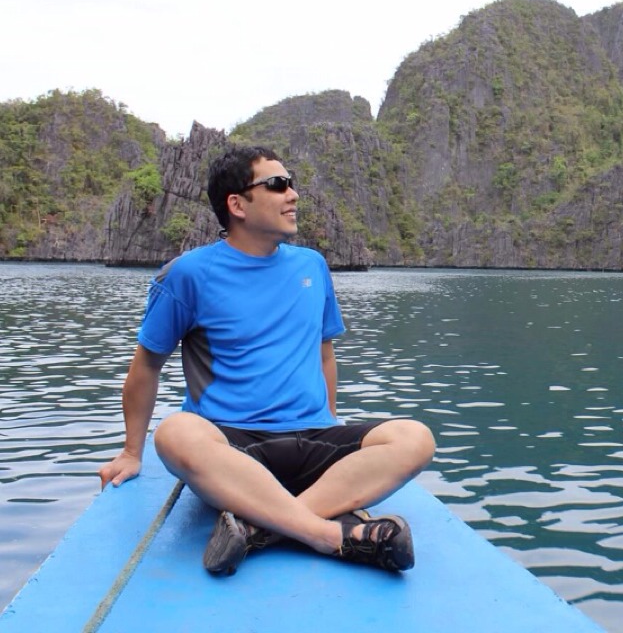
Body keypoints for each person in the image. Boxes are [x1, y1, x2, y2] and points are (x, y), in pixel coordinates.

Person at [98, 145, 435, 576]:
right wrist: (131, 452)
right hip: (233, 445)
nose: (293, 194)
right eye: (277, 185)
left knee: (415, 438)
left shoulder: (311, 266)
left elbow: (324, 353)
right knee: (174, 433)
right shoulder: (188, 274)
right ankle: (328, 534)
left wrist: (329, 418)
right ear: (237, 205)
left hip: (313, 437)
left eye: (291, 183)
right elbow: (146, 366)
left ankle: (259, 527)